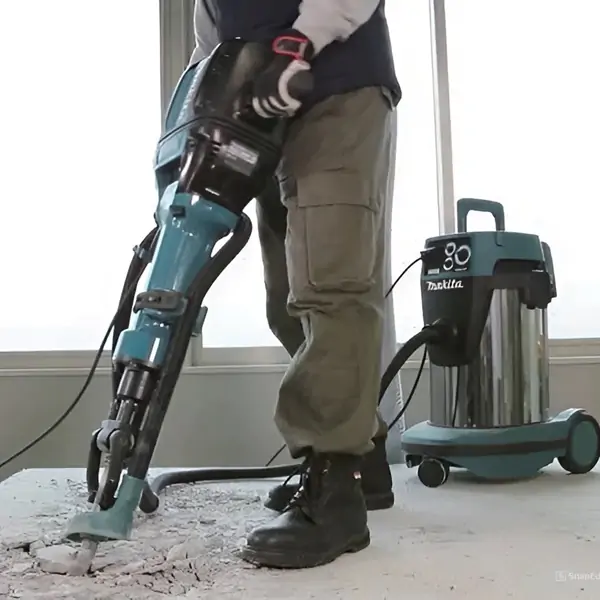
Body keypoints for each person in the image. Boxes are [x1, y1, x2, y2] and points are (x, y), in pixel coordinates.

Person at [189, 0, 401, 569]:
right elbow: (211, 38)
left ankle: (335, 487)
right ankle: (365, 459)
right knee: (286, 301)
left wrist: (298, 43)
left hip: (334, 88)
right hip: (262, 111)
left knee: (332, 285)